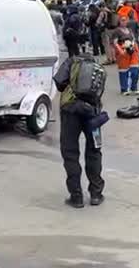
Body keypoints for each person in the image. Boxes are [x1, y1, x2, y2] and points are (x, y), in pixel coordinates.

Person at [53, 55, 106, 208]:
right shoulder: (97, 66)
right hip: (93, 112)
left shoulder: (71, 61)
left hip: (70, 110)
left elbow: (59, 83)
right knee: (94, 151)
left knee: (70, 152)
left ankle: (76, 196)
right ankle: (96, 194)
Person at [113, 16, 139, 95]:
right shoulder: (117, 31)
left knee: (135, 70)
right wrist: (121, 51)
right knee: (123, 71)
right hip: (123, 52)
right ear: (119, 21)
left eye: (125, 20)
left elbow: (134, 40)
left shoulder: (130, 30)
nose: (124, 22)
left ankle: (133, 87)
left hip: (132, 51)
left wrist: (138, 52)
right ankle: (124, 89)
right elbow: (115, 43)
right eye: (122, 20)